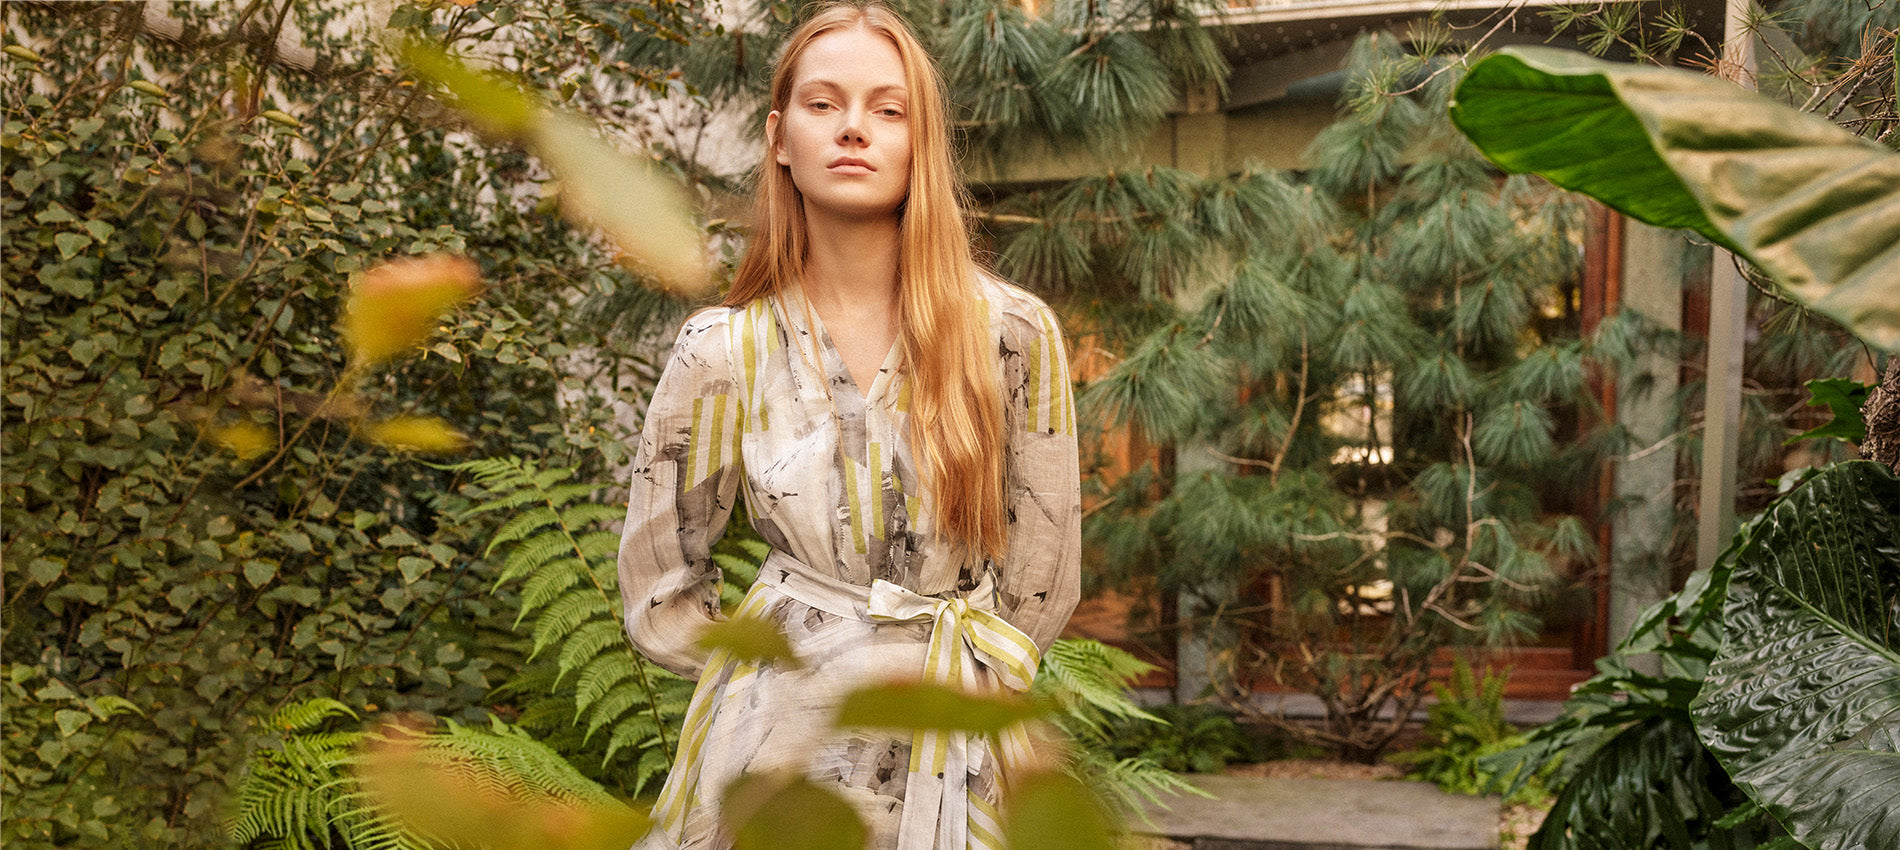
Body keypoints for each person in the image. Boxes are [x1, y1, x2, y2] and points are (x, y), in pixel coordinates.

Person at [615, 3, 1081, 849]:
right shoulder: (722, 350)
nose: (854, 128)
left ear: (920, 141)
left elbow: (1042, 577)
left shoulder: (1011, 333)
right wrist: (778, 668)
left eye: (888, 109)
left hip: (959, 740)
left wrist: (963, 670)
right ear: (779, 138)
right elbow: (660, 580)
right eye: (823, 103)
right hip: (776, 755)